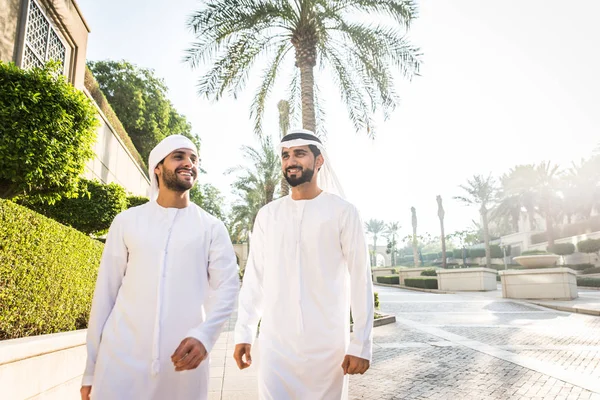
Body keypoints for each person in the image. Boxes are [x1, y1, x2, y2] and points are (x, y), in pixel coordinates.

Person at [80, 135, 239, 400]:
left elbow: (228, 288)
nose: (189, 163)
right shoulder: (127, 221)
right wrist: (90, 369)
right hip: (119, 362)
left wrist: (205, 336)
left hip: (183, 367)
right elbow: (105, 295)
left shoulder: (211, 227)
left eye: (193, 158)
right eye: (179, 156)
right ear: (157, 167)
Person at [233, 129, 374, 399]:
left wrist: (361, 344)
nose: (291, 161)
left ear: (319, 161)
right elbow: (255, 280)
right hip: (275, 347)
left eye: (299, 154)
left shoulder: (343, 212)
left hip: (327, 349)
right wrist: (245, 332)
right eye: (285, 155)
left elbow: (359, 279)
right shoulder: (268, 215)